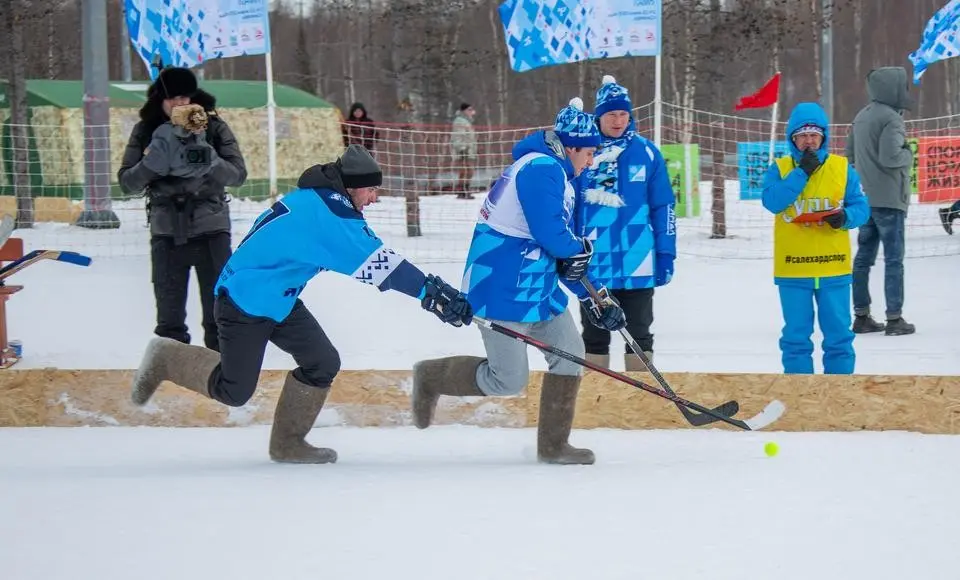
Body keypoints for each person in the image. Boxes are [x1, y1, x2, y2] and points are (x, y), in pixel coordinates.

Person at [129, 145, 474, 464]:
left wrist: (431, 291)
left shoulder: (321, 199)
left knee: (322, 362)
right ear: (352, 187)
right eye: (371, 190)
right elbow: (383, 265)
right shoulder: (328, 216)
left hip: (280, 298)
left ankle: (287, 443)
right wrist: (430, 292)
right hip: (244, 301)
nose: (374, 198)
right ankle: (166, 357)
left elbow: (370, 252)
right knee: (234, 391)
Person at [410, 98, 627, 465]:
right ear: (571, 147)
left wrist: (597, 297)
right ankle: (430, 376)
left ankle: (554, 446)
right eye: (589, 153)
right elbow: (553, 236)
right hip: (502, 288)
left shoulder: (567, 176)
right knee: (507, 380)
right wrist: (585, 271)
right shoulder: (540, 168)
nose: (591, 162)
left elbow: (571, 255)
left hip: (540, 289)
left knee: (570, 355)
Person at [118, 66, 247, 352]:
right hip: (167, 231)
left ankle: (223, 372)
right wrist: (150, 165)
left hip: (211, 230)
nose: (179, 104)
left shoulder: (214, 127)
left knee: (219, 313)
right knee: (169, 319)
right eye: (172, 98)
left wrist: (210, 159)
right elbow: (127, 183)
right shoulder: (146, 130)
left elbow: (238, 175)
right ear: (160, 100)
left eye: (184, 98)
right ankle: (172, 372)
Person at [575, 75, 676, 370]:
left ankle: (642, 392)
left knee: (639, 335)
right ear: (598, 116)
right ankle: (595, 392)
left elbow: (663, 206)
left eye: (623, 114)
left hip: (638, 261)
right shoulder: (584, 152)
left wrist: (665, 253)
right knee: (594, 336)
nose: (618, 121)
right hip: (594, 263)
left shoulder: (646, 152)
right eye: (611, 114)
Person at [762, 102, 870, 375]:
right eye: (802, 135)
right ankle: (799, 393)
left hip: (833, 268)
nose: (809, 140)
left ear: (824, 137)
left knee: (839, 337)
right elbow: (773, 202)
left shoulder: (841, 167)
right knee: (795, 339)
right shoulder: (780, 168)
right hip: (793, 269)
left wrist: (846, 217)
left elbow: (861, 207)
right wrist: (801, 173)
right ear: (792, 139)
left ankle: (838, 391)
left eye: (814, 134)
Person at [845, 66, 916, 336]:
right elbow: (891, 157)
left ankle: (861, 316)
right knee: (894, 259)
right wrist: (908, 154)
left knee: (863, 258)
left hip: (865, 199)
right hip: (890, 199)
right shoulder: (892, 119)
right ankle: (895, 319)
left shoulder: (861, 116)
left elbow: (850, 155)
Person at [450, 103, 478, 199]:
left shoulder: (467, 121)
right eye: (469, 109)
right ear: (464, 111)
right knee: (466, 170)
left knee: (468, 171)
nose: (471, 111)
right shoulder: (460, 121)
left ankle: (464, 190)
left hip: (469, 150)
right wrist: (461, 148)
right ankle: (463, 191)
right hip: (463, 150)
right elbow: (458, 136)